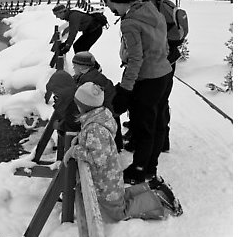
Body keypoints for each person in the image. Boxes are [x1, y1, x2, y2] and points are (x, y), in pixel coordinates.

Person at [63, 82, 182, 222]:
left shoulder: (95, 128)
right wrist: (80, 140)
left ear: (84, 106)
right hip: (109, 175)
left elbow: (97, 158)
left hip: (105, 177)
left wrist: (74, 151)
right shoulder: (99, 118)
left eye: (78, 104)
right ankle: (152, 187)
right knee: (120, 197)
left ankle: (160, 198)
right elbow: (97, 144)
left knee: (118, 211)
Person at [102, 0, 173, 184]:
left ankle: (138, 171)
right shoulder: (152, 10)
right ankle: (150, 166)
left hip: (147, 80)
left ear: (119, 0)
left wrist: (125, 90)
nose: (111, 9)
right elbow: (165, 44)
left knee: (143, 128)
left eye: (110, 4)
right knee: (158, 123)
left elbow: (135, 60)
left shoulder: (130, 23)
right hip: (164, 75)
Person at [71, 51, 122, 151]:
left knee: (109, 130)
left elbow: (87, 102)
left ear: (82, 68)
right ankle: (118, 145)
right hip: (112, 108)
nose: (73, 68)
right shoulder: (92, 74)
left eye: (75, 66)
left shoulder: (88, 81)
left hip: (107, 110)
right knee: (115, 126)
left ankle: (113, 148)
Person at [44, 70, 81, 160]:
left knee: (71, 167)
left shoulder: (73, 102)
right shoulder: (69, 97)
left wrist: (60, 126)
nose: (55, 96)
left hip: (77, 147)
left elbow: (73, 125)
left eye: (56, 93)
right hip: (73, 144)